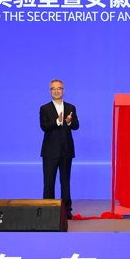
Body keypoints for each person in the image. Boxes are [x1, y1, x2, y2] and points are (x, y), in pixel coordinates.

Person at [40, 79, 79, 218]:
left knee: (65, 182)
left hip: (66, 151)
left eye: (59, 88)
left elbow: (76, 126)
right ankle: (48, 211)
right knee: (49, 182)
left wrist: (69, 122)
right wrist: (57, 121)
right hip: (50, 152)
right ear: (50, 91)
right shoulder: (44, 108)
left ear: (63, 90)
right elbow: (44, 126)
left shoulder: (71, 107)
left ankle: (66, 210)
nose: (56, 91)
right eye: (53, 89)